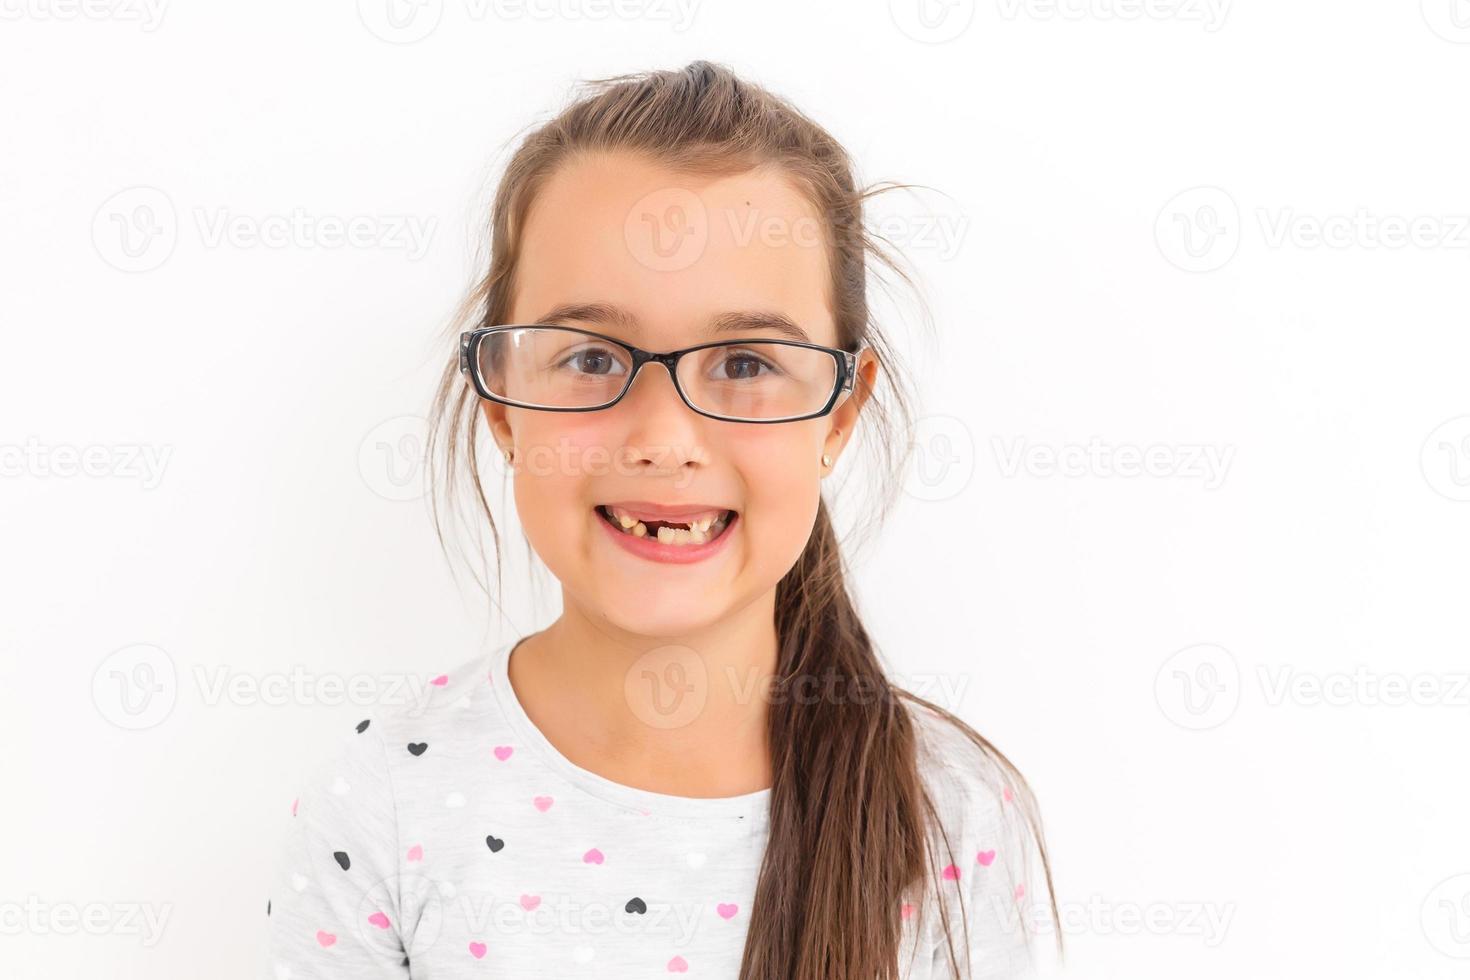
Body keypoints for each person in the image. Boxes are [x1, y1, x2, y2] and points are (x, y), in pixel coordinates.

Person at [264, 60, 1059, 980]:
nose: (665, 439)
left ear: (839, 416)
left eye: (748, 364)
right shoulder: (387, 801)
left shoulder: (954, 813)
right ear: (502, 407)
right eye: (594, 358)